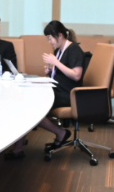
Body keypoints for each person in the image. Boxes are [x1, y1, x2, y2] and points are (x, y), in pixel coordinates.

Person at [5, 21, 84, 159]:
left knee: (30, 108)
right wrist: (51, 71)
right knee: (25, 102)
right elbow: (63, 73)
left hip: (68, 94)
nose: (49, 42)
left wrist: (56, 63)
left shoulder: (74, 49)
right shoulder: (59, 50)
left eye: (50, 38)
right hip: (56, 89)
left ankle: (59, 133)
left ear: (60, 35)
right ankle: (19, 147)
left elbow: (76, 75)